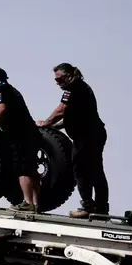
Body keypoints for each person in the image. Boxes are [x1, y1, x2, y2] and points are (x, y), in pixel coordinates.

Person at [37, 62, 109, 218]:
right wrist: (55, 127)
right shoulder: (81, 87)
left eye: (59, 79)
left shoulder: (74, 88)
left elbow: (61, 110)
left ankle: (88, 207)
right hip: (94, 133)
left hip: (87, 136)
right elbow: (73, 117)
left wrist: (46, 122)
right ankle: (101, 208)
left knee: (81, 170)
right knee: (96, 170)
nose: (57, 83)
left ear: (68, 76)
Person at [0, 67, 42, 213]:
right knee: (32, 168)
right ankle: (35, 204)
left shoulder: (0, 89)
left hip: (20, 134)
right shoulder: (13, 90)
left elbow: (2, 108)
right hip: (32, 132)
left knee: (22, 169)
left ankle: (27, 203)